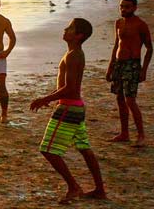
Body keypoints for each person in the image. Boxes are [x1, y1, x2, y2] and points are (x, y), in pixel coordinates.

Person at [30, 18, 106, 204]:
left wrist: (44, 99)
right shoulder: (73, 53)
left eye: (70, 28)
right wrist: (52, 98)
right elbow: (67, 86)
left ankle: (73, 187)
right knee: (84, 149)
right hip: (75, 107)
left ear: (79, 36)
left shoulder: (74, 55)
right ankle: (100, 190)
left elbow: (70, 88)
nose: (65, 29)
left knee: (48, 150)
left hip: (69, 108)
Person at [106, 0, 154, 147]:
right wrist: (110, 66)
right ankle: (124, 133)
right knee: (119, 99)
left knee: (130, 100)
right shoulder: (119, 23)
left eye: (127, 7)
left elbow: (149, 48)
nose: (123, 9)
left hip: (132, 64)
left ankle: (141, 135)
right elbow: (116, 45)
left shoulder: (141, 25)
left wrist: (144, 70)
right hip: (119, 64)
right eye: (121, 6)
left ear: (134, 8)